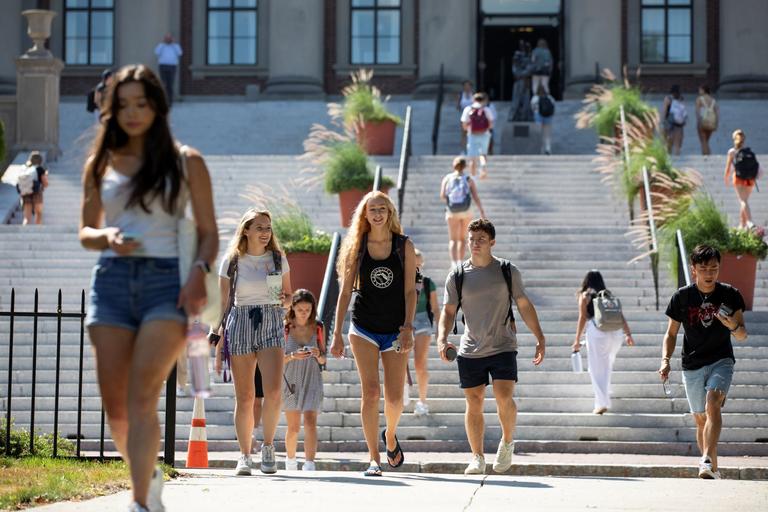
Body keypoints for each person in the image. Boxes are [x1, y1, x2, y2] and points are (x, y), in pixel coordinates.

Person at [79, 64, 218, 512]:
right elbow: (86, 231)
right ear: (111, 110)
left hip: (167, 283)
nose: (133, 112)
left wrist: (198, 272)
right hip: (112, 282)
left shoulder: (186, 161)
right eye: (123, 105)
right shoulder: (99, 163)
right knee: (117, 409)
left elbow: (210, 233)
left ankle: (140, 503)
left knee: (142, 395)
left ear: (157, 106)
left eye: (141, 103)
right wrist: (106, 236)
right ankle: (148, 474)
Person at [437, 218, 546, 475]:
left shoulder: (507, 270)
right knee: (474, 402)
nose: (475, 244)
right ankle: (477, 457)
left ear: (492, 242)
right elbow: (448, 311)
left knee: (504, 397)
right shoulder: (458, 275)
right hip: (470, 348)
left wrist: (540, 337)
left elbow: (524, 304)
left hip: (503, 345)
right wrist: (441, 338)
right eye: (472, 239)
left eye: (481, 240)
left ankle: (507, 442)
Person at [329, 191, 417, 477]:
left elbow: (410, 292)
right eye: (372, 209)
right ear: (364, 215)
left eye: (382, 208)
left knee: (395, 399)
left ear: (389, 212)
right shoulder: (358, 246)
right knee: (370, 392)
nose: (377, 213)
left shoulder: (404, 246)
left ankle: (389, 435)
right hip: (363, 327)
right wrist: (336, 333)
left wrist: (408, 327)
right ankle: (374, 459)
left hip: (396, 330)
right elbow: (344, 293)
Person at [659, 245, 747, 479]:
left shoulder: (730, 294)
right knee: (700, 419)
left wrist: (732, 325)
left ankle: (705, 459)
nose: (709, 273)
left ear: (719, 268)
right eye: (704, 268)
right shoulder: (682, 297)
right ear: (694, 269)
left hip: (721, 359)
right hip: (692, 363)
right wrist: (665, 360)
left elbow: (742, 335)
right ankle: (713, 468)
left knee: (713, 402)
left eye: (714, 268)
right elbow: (671, 334)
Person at [215, 208, 291, 476]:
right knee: (245, 396)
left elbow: (289, 297)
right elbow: (223, 302)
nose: (265, 232)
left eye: (268, 227)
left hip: (271, 320)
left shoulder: (278, 259)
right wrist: (217, 333)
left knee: (273, 392)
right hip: (240, 321)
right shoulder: (232, 261)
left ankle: (268, 447)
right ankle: (245, 455)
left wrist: (285, 300)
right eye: (259, 227)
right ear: (246, 230)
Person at [571, 270, 634, 414]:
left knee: (595, 369)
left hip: (597, 332)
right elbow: (621, 315)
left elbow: (582, 318)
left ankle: (601, 403)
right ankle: (606, 390)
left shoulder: (585, 295)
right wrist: (628, 334)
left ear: (586, 281)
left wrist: (577, 339)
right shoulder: (608, 295)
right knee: (606, 365)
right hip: (616, 333)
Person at [282, 289, 325, 471]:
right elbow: (276, 360)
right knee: (293, 426)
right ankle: (291, 461)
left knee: (310, 421)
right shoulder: (284, 327)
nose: (304, 313)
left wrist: (317, 354)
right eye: (300, 309)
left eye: (308, 310)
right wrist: (293, 355)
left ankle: (309, 463)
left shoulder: (318, 327)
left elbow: (323, 360)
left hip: (312, 379)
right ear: (292, 307)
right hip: (290, 380)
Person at [440, 156, 486, 267]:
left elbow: (442, 196)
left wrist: (452, 201)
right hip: (466, 212)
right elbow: (475, 196)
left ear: (454, 165)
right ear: (465, 166)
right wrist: (481, 211)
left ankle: (453, 263)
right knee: (462, 239)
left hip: (452, 212)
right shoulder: (468, 179)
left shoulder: (447, 178)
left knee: (453, 239)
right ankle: (460, 263)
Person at [410, 249, 441, 417]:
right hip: (404, 323)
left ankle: (422, 401)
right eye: (413, 265)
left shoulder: (428, 283)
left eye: (419, 265)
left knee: (420, 363)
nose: (417, 268)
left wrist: (440, 331)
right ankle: (400, 393)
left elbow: (435, 308)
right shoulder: (400, 281)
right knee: (397, 363)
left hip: (423, 322)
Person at [724, 129, 761, 229]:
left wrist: (726, 177)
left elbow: (728, 167)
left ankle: (749, 221)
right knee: (745, 201)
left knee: (743, 201)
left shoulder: (732, 152)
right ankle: (742, 224)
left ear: (734, 138)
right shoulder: (749, 151)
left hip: (739, 178)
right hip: (750, 179)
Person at [460, 93, 494, 179]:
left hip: (472, 135)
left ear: (473, 100)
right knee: (483, 154)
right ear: (484, 100)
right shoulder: (486, 109)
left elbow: (464, 123)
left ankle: (473, 176)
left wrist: (468, 130)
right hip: (484, 134)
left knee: (472, 157)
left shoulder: (468, 109)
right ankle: (483, 168)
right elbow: (491, 124)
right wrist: (484, 129)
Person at [16, 151, 48, 225]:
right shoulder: (40, 169)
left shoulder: (26, 169)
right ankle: (38, 230)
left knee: (27, 217)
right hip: (37, 194)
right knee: (38, 214)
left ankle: (24, 230)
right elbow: (45, 183)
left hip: (26, 193)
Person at [155, 33, 182, 106]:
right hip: (163, 66)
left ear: (172, 39)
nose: (168, 39)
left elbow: (180, 53)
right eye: (166, 38)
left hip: (172, 66)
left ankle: (170, 101)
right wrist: (163, 44)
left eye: (169, 38)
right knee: (163, 84)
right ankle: (163, 100)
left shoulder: (176, 46)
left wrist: (173, 44)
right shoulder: (161, 46)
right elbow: (157, 52)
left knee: (170, 85)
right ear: (164, 39)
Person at [510, 40, 533, 122]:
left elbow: (530, 68)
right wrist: (520, 75)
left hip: (525, 81)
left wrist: (524, 74)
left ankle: (525, 116)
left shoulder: (528, 57)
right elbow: (514, 68)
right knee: (516, 99)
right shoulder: (517, 56)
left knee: (526, 99)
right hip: (518, 81)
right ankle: (514, 116)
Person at [530, 85, 556, 155]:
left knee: (539, 134)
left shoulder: (535, 98)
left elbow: (532, 107)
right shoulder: (550, 97)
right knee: (547, 134)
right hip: (548, 117)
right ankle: (548, 148)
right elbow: (553, 106)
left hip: (538, 116)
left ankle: (540, 149)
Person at [663, 85, 687, 156]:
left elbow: (664, 110)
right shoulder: (681, 99)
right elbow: (683, 111)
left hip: (669, 121)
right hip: (679, 123)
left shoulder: (668, 98)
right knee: (677, 143)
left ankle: (669, 155)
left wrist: (663, 120)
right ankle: (677, 157)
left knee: (668, 141)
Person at [695, 85, 719, 156]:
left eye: (700, 90)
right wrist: (716, 124)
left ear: (703, 90)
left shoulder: (699, 99)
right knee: (706, 140)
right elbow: (717, 113)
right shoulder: (713, 100)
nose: (699, 91)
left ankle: (706, 156)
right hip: (711, 122)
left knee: (703, 140)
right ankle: (707, 154)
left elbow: (697, 112)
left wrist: (698, 121)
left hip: (703, 121)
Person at [457, 81, 475, 152]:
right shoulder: (461, 95)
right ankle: (463, 150)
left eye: (468, 86)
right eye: (465, 86)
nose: (467, 87)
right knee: (464, 133)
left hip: (473, 117)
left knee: (472, 133)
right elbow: (458, 106)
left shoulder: (473, 95)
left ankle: (471, 149)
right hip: (464, 117)